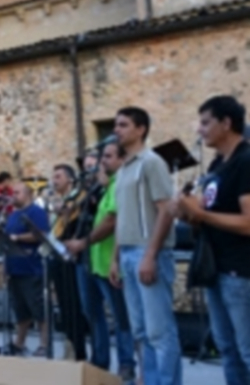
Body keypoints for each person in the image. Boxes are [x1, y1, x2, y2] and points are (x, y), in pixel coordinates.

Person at [178, 96, 250, 385]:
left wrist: (201, 215)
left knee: (246, 349)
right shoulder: (218, 165)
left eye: (206, 122)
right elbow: (206, 214)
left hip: (240, 271)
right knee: (227, 349)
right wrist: (187, 212)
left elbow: (248, 223)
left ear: (226, 123)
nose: (200, 130)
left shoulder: (246, 161)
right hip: (215, 269)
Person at [111, 106, 181, 385]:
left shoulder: (152, 162)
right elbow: (122, 217)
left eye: (123, 125)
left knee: (160, 332)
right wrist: (115, 259)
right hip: (128, 252)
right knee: (140, 331)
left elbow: (166, 210)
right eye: (116, 125)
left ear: (140, 129)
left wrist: (150, 255)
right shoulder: (123, 169)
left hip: (148, 251)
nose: (116, 130)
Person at [65, 142, 136, 380]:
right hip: (92, 261)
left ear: (121, 160)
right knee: (92, 313)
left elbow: (111, 222)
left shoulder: (119, 186)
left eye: (107, 157)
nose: (102, 163)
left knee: (120, 315)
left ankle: (126, 363)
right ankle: (100, 361)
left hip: (108, 261)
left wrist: (83, 243)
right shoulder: (101, 189)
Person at [48, 163, 89, 361]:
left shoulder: (78, 197)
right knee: (64, 305)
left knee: (73, 305)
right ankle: (69, 346)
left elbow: (77, 219)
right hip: (58, 254)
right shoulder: (60, 200)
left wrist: (64, 211)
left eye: (58, 177)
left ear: (70, 180)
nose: (54, 181)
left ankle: (78, 351)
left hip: (72, 256)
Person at [4, 183, 50, 356]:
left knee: (38, 308)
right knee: (20, 309)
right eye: (13, 192)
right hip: (14, 268)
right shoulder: (13, 215)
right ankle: (19, 343)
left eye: (17, 192)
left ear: (28, 194)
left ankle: (44, 344)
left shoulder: (36, 212)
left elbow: (42, 233)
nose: (13, 195)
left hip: (31, 267)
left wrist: (18, 237)